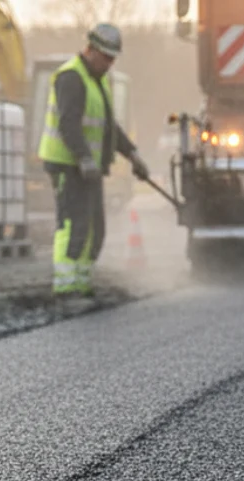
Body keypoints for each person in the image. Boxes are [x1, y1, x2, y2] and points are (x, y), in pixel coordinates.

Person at [37, 23, 149, 296]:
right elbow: (68, 125)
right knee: (73, 224)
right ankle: (65, 288)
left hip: (89, 168)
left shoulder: (98, 81)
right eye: (106, 57)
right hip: (68, 164)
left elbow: (109, 127)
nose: (110, 63)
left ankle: (81, 283)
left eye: (113, 58)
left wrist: (132, 155)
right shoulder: (71, 77)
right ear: (91, 50)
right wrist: (84, 158)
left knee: (94, 229)